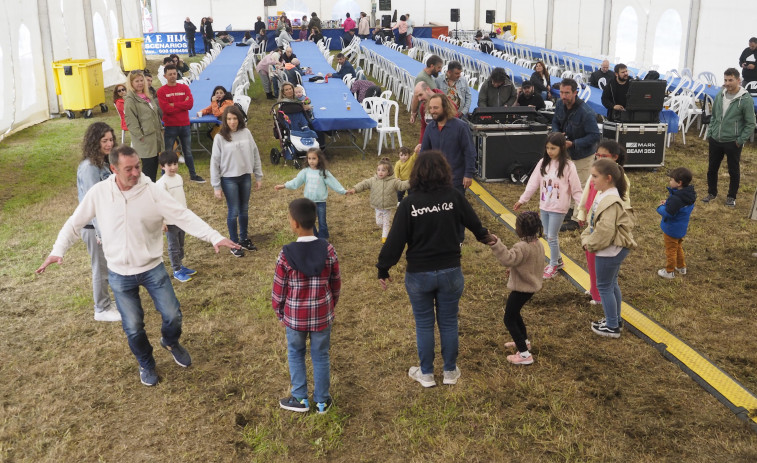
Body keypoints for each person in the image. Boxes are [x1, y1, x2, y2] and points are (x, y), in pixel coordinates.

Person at [36, 145, 240, 386]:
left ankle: (171, 341)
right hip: (120, 275)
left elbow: (182, 215)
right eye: (128, 169)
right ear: (113, 169)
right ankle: (146, 363)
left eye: (138, 167)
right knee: (133, 327)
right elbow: (74, 223)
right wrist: (57, 250)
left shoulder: (152, 191)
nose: (135, 173)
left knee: (173, 316)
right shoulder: (99, 193)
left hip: (152, 268)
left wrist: (214, 236)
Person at [376, 150, 495, 388]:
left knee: (424, 323)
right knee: (449, 322)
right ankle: (450, 372)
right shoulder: (454, 196)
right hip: (451, 271)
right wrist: (485, 237)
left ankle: (427, 373)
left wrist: (383, 267)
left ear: (417, 173)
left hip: (419, 274)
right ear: (444, 172)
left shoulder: (409, 203)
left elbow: (395, 239)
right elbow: (474, 223)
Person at [273, 198, 341, 414]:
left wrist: (280, 312)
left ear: (294, 223)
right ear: (315, 220)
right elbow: (335, 283)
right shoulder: (328, 250)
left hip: (294, 317)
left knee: (295, 352)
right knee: (321, 355)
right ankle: (322, 401)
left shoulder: (286, 253)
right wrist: (331, 306)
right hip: (322, 315)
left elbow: (279, 289)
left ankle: (300, 398)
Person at [581, 159, 637, 338]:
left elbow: (604, 231)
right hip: (611, 249)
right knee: (611, 284)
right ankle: (615, 319)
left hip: (609, 251)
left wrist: (589, 243)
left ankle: (612, 326)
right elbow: (594, 224)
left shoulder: (610, 201)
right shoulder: (605, 195)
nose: (592, 180)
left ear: (608, 178)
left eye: (595, 176)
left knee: (604, 286)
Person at [514, 133, 582, 279]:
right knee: (547, 235)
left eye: (553, 148)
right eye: (547, 148)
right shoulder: (543, 163)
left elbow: (576, 190)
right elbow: (533, 183)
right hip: (545, 206)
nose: (550, 151)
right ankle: (557, 260)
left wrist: (581, 209)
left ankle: (553, 265)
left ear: (562, 148)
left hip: (559, 207)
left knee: (552, 236)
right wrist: (522, 200)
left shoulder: (569, 166)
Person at [75, 122, 121, 322]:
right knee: (100, 268)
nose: (109, 144)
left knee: (111, 266)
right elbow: (93, 203)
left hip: (107, 224)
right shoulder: (89, 168)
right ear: (95, 142)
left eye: (111, 140)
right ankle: (101, 309)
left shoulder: (105, 163)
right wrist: (100, 232)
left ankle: (111, 303)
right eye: (104, 141)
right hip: (93, 227)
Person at [576, 140, 630, 305]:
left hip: (603, 226)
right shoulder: (597, 173)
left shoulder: (621, 179)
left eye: (603, 155)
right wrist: (581, 212)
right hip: (593, 223)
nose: (599, 158)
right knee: (591, 260)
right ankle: (594, 289)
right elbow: (586, 192)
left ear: (615, 157)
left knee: (599, 261)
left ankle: (599, 296)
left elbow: (624, 204)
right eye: (597, 155)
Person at [488, 211, 544, 365]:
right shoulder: (538, 244)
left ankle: (525, 355)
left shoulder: (521, 247)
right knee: (515, 314)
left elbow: (508, 259)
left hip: (522, 289)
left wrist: (496, 243)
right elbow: (529, 263)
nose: (515, 228)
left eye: (517, 226)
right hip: (531, 287)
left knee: (509, 319)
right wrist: (514, 269)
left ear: (522, 229)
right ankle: (524, 342)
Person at [211, 105, 263, 257]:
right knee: (233, 211)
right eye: (229, 119)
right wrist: (216, 186)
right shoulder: (220, 138)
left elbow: (255, 153)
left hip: (245, 176)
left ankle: (244, 239)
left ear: (239, 119)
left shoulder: (246, 132)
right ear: (225, 121)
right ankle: (234, 243)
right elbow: (214, 162)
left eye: (234, 118)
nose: (232, 122)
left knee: (244, 209)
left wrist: (258, 175)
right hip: (229, 179)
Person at [703, 67, 756, 208]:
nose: (727, 83)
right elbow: (714, 116)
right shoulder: (720, 94)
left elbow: (751, 123)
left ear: (738, 80)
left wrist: (739, 140)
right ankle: (711, 193)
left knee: (733, 170)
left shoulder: (745, 99)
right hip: (716, 139)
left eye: (731, 80)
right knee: (712, 168)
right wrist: (711, 133)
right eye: (725, 80)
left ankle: (731, 197)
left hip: (733, 142)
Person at [552, 78, 600, 230]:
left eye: (567, 93)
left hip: (583, 154)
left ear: (575, 93)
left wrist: (574, 143)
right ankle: (571, 210)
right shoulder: (560, 104)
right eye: (561, 92)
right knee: (568, 182)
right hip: (567, 151)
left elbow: (595, 136)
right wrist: (557, 134)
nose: (563, 96)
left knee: (580, 185)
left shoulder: (586, 112)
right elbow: (555, 121)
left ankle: (577, 219)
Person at [274, 148, 347, 240]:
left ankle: (323, 239)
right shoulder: (305, 172)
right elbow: (296, 182)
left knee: (322, 222)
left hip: (321, 202)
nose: (311, 161)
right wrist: (284, 185)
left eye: (314, 158)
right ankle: (313, 238)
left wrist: (343, 191)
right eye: (309, 158)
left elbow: (333, 183)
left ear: (319, 159)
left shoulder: (323, 172)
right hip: (309, 203)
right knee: (309, 222)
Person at [158, 64, 204, 183]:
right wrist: (182, 105)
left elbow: (190, 105)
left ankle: (193, 175)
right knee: (167, 153)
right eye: (170, 74)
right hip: (170, 126)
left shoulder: (184, 87)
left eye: (174, 73)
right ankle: (164, 177)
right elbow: (166, 109)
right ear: (165, 76)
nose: (173, 76)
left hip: (184, 125)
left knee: (188, 151)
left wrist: (174, 104)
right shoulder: (161, 91)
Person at [420, 94, 476, 192]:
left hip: (456, 181)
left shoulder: (461, 127)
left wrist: (468, 174)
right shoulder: (430, 128)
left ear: (445, 108)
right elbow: (424, 153)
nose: (432, 111)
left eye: (436, 108)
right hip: (435, 180)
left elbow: (469, 152)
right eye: (430, 108)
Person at [347, 158, 410, 243]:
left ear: (389, 172)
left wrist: (413, 181)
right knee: (379, 222)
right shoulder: (373, 180)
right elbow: (363, 184)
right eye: (379, 170)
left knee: (386, 223)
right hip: (377, 206)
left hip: (387, 207)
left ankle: (385, 237)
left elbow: (402, 185)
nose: (380, 172)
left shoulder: (394, 181)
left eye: (383, 170)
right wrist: (355, 189)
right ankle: (386, 228)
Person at [156, 150, 197, 283]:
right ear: (162, 166)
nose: (173, 167)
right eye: (169, 165)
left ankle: (180, 265)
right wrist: (162, 221)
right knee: (173, 246)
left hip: (182, 219)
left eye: (175, 164)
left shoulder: (178, 178)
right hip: (170, 221)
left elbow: (180, 197)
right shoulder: (161, 184)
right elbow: (159, 205)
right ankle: (176, 270)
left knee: (181, 244)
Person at [656, 167, 696, 279]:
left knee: (671, 250)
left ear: (679, 183)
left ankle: (669, 271)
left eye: (671, 180)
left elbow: (669, 213)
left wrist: (660, 207)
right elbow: (677, 207)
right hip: (681, 229)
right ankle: (681, 267)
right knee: (678, 247)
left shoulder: (677, 199)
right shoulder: (688, 194)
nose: (670, 181)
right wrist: (668, 202)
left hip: (671, 230)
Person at [124, 70, 163, 182]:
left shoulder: (147, 96)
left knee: (154, 164)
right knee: (148, 167)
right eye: (137, 81)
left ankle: (151, 188)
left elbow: (154, 114)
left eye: (142, 80)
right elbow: (131, 122)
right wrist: (140, 136)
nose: (140, 83)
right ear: (131, 83)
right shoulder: (130, 100)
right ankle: (146, 191)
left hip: (154, 137)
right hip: (145, 140)